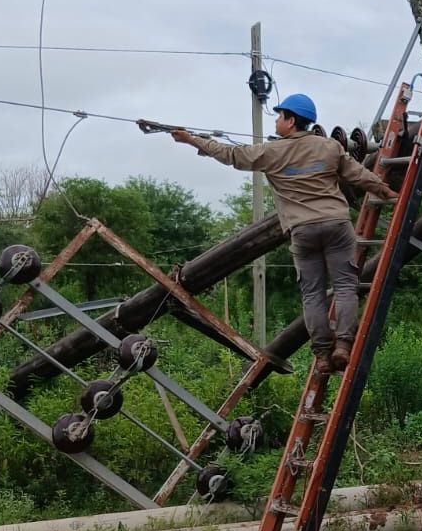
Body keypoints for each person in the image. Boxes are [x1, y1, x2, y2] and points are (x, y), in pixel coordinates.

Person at [168, 93, 395, 373]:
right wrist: (387, 192)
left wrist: (191, 140)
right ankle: (343, 346)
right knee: (346, 287)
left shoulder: (271, 152)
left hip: (302, 231)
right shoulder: (330, 147)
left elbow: (231, 155)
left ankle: (323, 355)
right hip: (336, 224)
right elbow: (359, 175)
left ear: (291, 120)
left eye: (279, 116)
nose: (276, 121)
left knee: (312, 295)